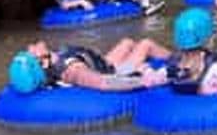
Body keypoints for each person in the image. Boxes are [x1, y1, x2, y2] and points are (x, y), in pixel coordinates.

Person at [9, 36, 172, 93]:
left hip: (104, 62)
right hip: (114, 71)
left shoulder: (52, 62)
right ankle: (179, 60)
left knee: (127, 42)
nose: (30, 46)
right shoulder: (72, 71)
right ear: (42, 63)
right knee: (146, 44)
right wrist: (144, 81)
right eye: (30, 52)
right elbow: (103, 82)